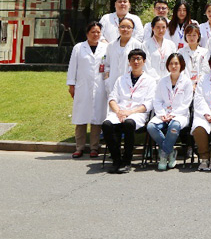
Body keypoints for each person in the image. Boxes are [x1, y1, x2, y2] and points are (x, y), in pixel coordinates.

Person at [102, 48, 155, 173]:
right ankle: (116, 159)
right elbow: (112, 98)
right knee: (106, 125)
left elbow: (148, 104)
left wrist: (129, 113)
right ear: (129, 62)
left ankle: (127, 161)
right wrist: (119, 112)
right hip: (119, 112)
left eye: (139, 59)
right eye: (133, 59)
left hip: (137, 114)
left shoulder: (150, 81)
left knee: (129, 123)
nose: (136, 62)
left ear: (144, 61)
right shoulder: (121, 79)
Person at [66, 22, 108, 158]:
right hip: (82, 87)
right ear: (87, 33)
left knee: (97, 118)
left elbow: (108, 66)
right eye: (93, 32)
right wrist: (71, 85)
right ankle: (79, 147)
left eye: (98, 32)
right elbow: (72, 67)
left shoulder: (106, 48)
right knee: (81, 117)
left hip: (100, 86)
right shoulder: (79, 48)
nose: (96, 34)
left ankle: (94, 147)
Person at [148, 53, 194, 170]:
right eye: (171, 63)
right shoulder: (162, 81)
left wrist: (173, 114)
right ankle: (171, 151)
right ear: (168, 65)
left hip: (180, 115)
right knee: (151, 127)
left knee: (174, 126)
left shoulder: (187, 82)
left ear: (181, 65)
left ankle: (164, 155)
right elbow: (157, 100)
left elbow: (186, 103)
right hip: (163, 113)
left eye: (176, 63)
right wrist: (162, 114)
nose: (173, 66)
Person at [104, 17, 143, 95]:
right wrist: (107, 79)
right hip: (113, 82)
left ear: (133, 30)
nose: (125, 29)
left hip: (131, 83)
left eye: (129, 27)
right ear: (118, 28)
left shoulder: (138, 45)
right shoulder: (111, 45)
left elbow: (142, 66)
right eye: (122, 27)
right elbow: (107, 64)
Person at [143, 15, 176, 80]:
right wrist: (158, 79)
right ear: (152, 28)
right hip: (151, 81)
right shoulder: (145, 45)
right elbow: (146, 66)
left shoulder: (171, 44)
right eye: (158, 27)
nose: (161, 30)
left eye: (163, 27)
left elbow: (174, 63)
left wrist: (167, 79)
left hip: (168, 80)